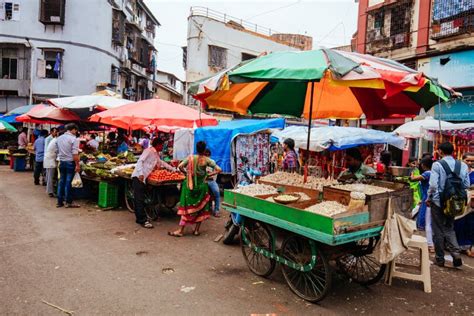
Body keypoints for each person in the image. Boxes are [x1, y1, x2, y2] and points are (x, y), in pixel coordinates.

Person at [428, 142, 470, 267]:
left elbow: (433, 185)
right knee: (449, 227)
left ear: (440, 151)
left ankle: (440, 259)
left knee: (438, 230)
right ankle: (456, 253)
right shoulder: (462, 165)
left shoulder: (437, 164)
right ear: (453, 151)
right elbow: (466, 185)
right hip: (455, 203)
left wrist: (429, 197)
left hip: (438, 202)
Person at [169, 141, 221, 237]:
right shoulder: (207, 160)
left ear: (196, 149)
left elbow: (180, 166)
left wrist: (187, 173)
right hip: (202, 187)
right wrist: (208, 174)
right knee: (201, 208)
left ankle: (181, 230)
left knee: (186, 207)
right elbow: (219, 169)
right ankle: (196, 230)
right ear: (204, 150)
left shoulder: (191, 158)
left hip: (190, 186)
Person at [131, 137, 176, 229]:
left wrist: (174, 169)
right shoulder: (148, 151)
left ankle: (140, 217)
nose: (162, 147)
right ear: (158, 145)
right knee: (139, 199)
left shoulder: (155, 153)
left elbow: (161, 162)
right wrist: (140, 174)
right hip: (139, 176)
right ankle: (142, 220)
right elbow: (140, 161)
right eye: (162, 145)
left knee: (141, 198)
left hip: (144, 176)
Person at [410, 157, 434, 252]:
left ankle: (430, 245)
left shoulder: (427, 173)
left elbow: (413, 179)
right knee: (430, 222)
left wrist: (411, 171)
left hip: (427, 199)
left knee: (427, 223)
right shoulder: (433, 173)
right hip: (426, 198)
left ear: (423, 165)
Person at [454, 152, 474, 258]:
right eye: (468, 160)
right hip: (458, 200)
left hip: (471, 203)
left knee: (469, 224)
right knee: (458, 222)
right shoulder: (457, 171)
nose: (470, 163)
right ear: (463, 159)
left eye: (472, 161)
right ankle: (455, 245)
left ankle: (467, 247)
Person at [56, 123, 81, 208]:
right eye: (76, 130)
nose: (76, 132)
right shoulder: (74, 139)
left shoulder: (59, 138)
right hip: (70, 162)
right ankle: (68, 202)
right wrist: (77, 165)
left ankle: (59, 202)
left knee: (61, 181)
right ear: (73, 129)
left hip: (62, 162)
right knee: (68, 182)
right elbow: (75, 154)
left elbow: (57, 151)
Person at [44, 129, 60, 197]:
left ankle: (50, 190)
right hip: (50, 159)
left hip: (49, 158)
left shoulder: (55, 139)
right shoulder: (56, 140)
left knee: (49, 176)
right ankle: (50, 191)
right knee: (50, 176)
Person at [204, 149, 220, 217]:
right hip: (203, 181)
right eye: (206, 155)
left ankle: (216, 210)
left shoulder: (212, 162)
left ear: (210, 155)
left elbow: (217, 171)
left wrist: (210, 175)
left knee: (217, 192)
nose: (207, 156)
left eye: (208, 155)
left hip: (211, 181)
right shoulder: (202, 162)